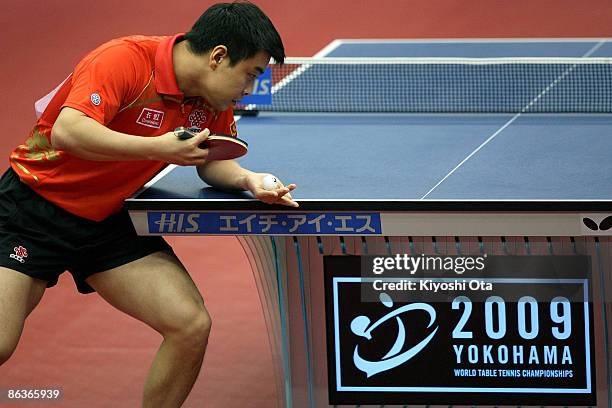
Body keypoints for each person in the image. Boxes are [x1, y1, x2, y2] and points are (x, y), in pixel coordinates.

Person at [0, 1, 297, 406]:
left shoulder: (211, 101)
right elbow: (68, 132)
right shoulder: (122, 59)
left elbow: (211, 161)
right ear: (218, 57)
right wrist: (156, 148)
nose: (248, 90)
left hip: (108, 220)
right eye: (250, 75)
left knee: (190, 325)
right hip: (32, 208)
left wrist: (251, 180)